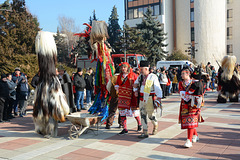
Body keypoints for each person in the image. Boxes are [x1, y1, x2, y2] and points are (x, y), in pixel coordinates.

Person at [133, 60, 162, 138]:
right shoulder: (140, 76)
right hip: (141, 98)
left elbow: (157, 88)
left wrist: (159, 97)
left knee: (151, 115)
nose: (140, 71)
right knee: (142, 115)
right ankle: (145, 132)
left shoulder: (153, 76)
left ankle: (155, 125)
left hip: (149, 98)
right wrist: (135, 90)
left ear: (146, 69)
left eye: (141, 69)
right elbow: (135, 84)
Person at [178, 67, 205, 148]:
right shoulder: (181, 83)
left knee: (191, 120)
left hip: (194, 104)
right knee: (188, 121)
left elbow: (201, 92)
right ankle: (195, 135)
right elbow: (181, 92)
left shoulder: (195, 82)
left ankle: (189, 140)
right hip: (185, 104)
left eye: (183, 73)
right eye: (181, 73)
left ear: (188, 74)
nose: (181, 75)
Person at [115, 62, 142, 135]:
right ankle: (125, 128)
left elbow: (138, 84)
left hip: (132, 97)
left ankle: (139, 124)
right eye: (122, 67)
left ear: (128, 68)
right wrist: (117, 88)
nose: (123, 69)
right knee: (122, 112)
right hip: (122, 97)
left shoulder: (134, 75)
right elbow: (117, 84)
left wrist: (136, 89)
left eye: (124, 67)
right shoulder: (119, 76)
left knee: (135, 112)